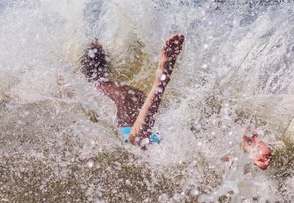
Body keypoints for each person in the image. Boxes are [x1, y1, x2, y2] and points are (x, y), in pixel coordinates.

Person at [82, 34, 272, 170]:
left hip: (142, 131)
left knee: (136, 141)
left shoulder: (108, 90)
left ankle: (160, 80)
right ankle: (243, 148)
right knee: (196, 159)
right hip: (158, 134)